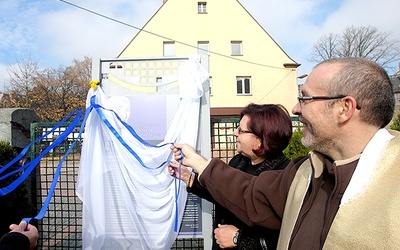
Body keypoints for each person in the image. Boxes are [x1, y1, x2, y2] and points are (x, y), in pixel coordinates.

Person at [170, 57, 400, 249]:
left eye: (305, 98)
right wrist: (198, 167)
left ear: (344, 108)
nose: (296, 108)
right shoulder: (305, 172)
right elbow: (251, 194)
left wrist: (239, 239)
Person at [169, 104, 293, 249]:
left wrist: (238, 238)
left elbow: (282, 237)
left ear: (261, 138)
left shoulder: (283, 176)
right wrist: (189, 178)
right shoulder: (238, 161)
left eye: (241, 130)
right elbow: (225, 193)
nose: (234, 133)